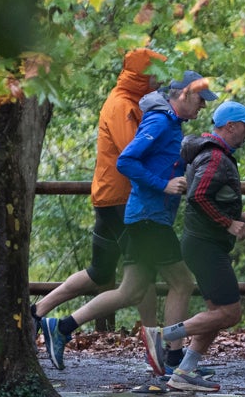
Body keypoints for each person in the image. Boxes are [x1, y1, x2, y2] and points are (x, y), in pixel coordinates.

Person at [39, 70, 218, 376]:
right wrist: (163, 185)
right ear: (185, 94)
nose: (203, 107)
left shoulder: (171, 123)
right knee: (183, 282)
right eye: (201, 100)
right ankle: (176, 361)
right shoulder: (160, 121)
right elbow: (126, 161)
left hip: (147, 217)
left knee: (130, 292)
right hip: (148, 218)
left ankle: (62, 326)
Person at [31, 48, 165, 335]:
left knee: (99, 273)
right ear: (143, 75)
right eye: (157, 73)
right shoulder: (122, 105)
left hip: (112, 198)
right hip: (122, 200)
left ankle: (37, 311)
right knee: (143, 275)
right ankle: (155, 345)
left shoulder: (133, 102)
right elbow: (133, 152)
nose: (162, 79)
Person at [139, 100, 245, 392]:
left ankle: (184, 371)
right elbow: (198, 196)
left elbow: (208, 196)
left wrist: (237, 215)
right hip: (204, 246)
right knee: (230, 313)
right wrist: (228, 223)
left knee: (214, 314)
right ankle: (161, 336)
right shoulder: (215, 157)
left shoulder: (212, 154)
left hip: (205, 243)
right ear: (231, 126)